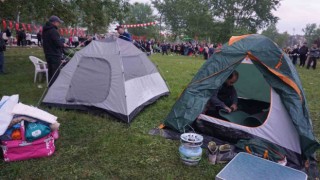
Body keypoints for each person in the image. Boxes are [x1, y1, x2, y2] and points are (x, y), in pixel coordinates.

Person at [42, 15, 68, 86]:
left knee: (51, 72)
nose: (59, 24)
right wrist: (63, 44)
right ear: (54, 22)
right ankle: (54, 89)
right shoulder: (53, 31)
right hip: (54, 55)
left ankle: (50, 86)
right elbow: (57, 43)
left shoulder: (45, 30)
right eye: (58, 22)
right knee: (55, 73)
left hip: (48, 54)